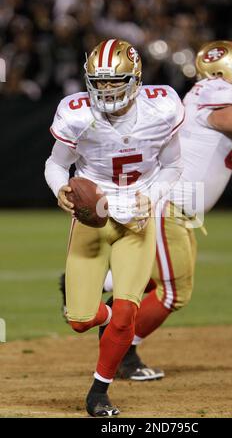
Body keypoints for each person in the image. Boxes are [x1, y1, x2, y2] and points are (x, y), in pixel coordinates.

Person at [59, 40, 232, 381]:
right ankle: (122, 348)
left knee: (163, 283)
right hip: (166, 204)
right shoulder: (213, 93)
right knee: (173, 291)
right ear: (219, 73)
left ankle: (106, 292)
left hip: (180, 211)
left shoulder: (228, 109)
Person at [45, 38, 184, 416]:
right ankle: (102, 312)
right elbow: (56, 163)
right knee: (80, 320)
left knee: (126, 313)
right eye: (98, 81)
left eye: (114, 80)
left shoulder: (162, 106)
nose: (105, 89)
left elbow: (173, 166)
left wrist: (151, 196)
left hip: (137, 219)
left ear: (135, 79)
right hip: (93, 218)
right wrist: (60, 188)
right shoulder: (75, 112)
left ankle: (99, 392)